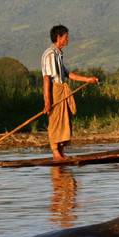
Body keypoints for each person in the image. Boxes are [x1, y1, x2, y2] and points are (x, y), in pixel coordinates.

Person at [41, 25, 98, 160]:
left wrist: (87, 80)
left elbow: (68, 74)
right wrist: (47, 101)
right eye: (66, 37)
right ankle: (55, 152)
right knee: (55, 120)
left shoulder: (58, 54)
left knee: (64, 120)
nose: (68, 39)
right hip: (54, 90)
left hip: (61, 89)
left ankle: (61, 151)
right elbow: (46, 78)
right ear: (59, 37)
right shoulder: (50, 54)